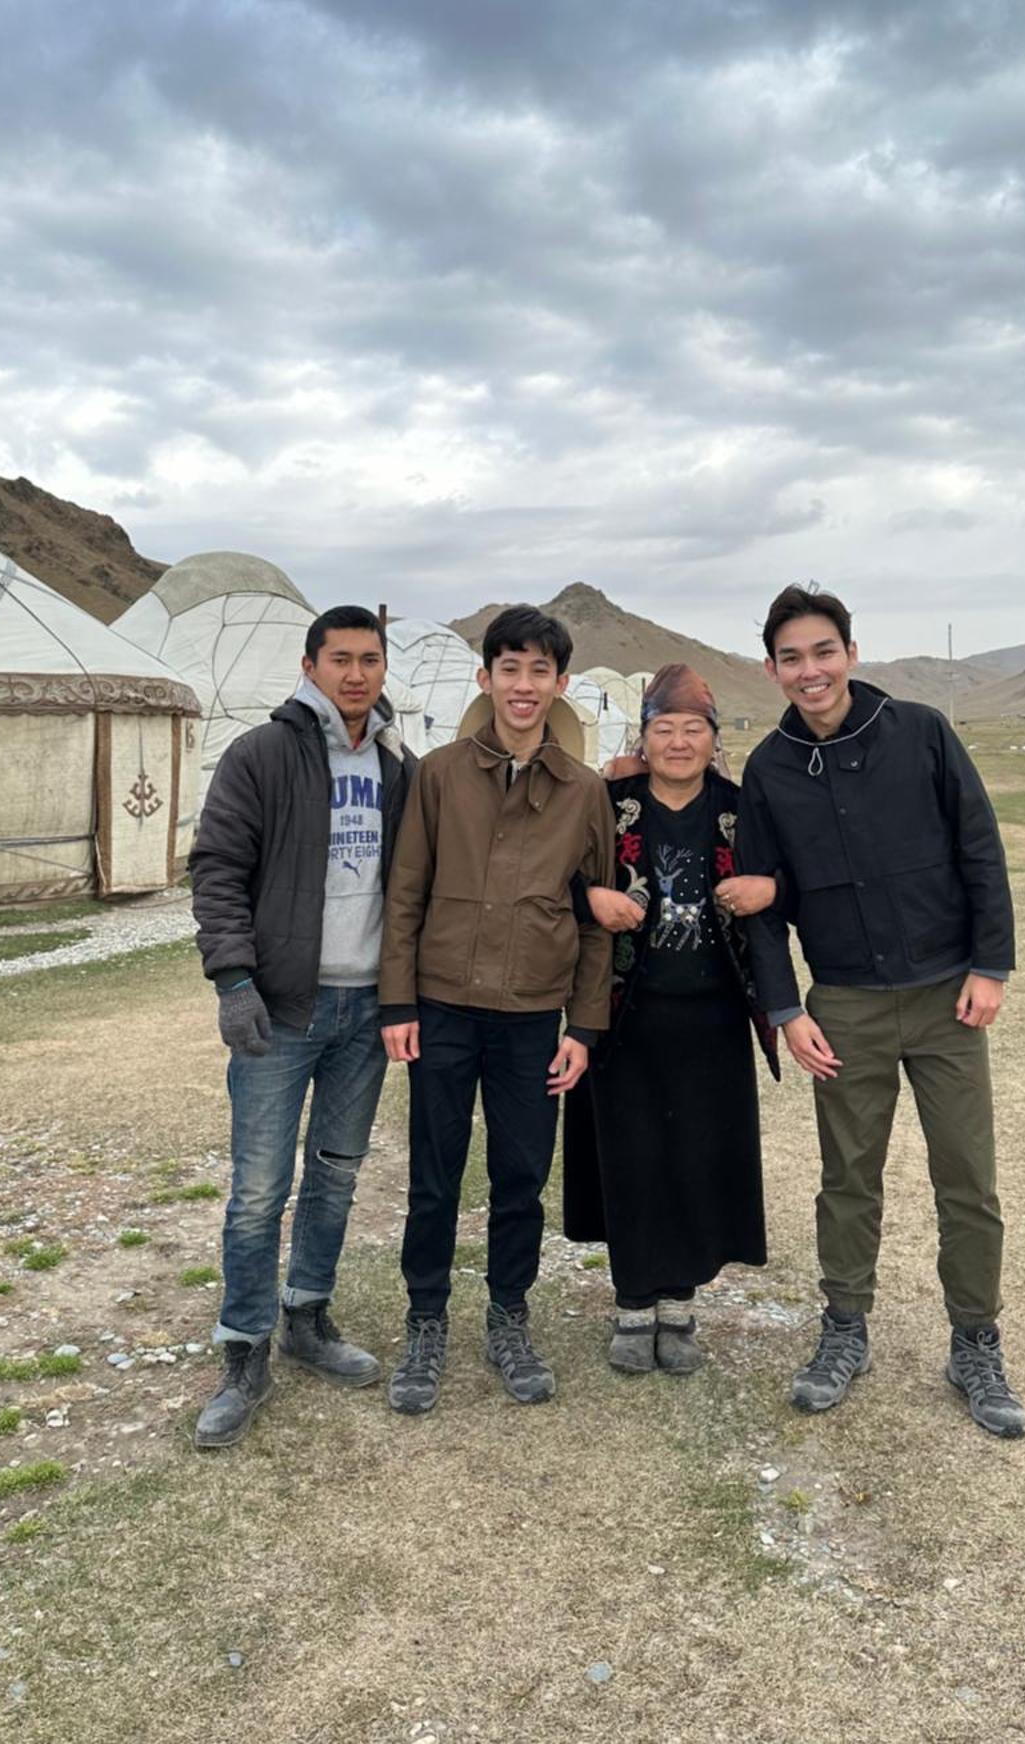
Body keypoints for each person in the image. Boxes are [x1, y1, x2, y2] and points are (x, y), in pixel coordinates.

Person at [739, 584, 1025, 1439]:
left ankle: (975, 1341)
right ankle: (844, 1330)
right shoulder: (768, 769)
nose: (809, 670)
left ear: (851, 654)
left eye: (823, 651)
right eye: (791, 657)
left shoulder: (922, 732)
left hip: (948, 998)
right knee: (847, 1179)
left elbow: (979, 846)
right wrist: (787, 1009)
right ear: (773, 669)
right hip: (845, 1008)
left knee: (967, 1178)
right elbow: (759, 904)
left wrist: (992, 965)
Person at [188, 606, 415, 1449]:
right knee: (257, 1191)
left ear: (385, 668)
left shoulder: (398, 765)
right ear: (309, 664)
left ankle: (306, 1318)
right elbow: (216, 868)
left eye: (370, 660)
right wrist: (233, 977)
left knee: (337, 1176)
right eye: (341, 659)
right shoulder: (262, 755)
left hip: (367, 1008)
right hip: (283, 1008)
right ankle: (243, 1348)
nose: (356, 674)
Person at [378, 605, 614, 1414]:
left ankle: (509, 1317)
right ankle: (425, 1321)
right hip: (442, 1008)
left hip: (530, 1018)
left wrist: (584, 1027)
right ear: (485, 679)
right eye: (509, 669)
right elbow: (404, 892)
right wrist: (397, 1001)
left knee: (520, 1177)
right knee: (434, 1176)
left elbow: (595, 917)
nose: (523, 685)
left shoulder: (584, 792)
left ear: (560, 684)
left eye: (538, 671)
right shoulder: (438, 775)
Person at [563, 663, 780, 1374]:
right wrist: (590, 896)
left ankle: (678, 1305)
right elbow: (556, 870)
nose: (679, 743)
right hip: (623, 1011)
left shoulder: (739, 807)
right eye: (665, 729)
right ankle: (632, 1302)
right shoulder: (606, 799)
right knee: (629, 1159)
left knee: (694, 1158)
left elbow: (791, 878)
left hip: (712, 1017)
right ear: (644, 736)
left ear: (713, 739)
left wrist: (770, 883)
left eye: (693, 730)